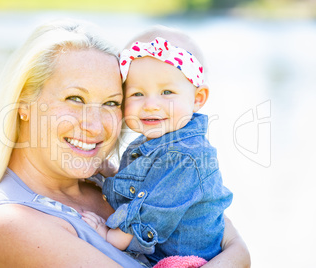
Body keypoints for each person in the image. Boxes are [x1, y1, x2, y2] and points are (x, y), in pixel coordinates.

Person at [0, 19, 250, 268]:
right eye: (75, 98)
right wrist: (237, 255)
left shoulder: (110, 178)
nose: (95, 125)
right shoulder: (11, 224)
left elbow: (219, 229)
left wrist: (238, 252)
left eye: (112, 103)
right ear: (24, 103)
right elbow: (235, 248)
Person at [81, 26, 235, 266]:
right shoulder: (155, 140)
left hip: (187, 260)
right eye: (137, 94)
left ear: (198, 98)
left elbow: (155, 212)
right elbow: (147, 185)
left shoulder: (186, 155)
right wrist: (113, 172)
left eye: (166, 92)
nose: (151, 105)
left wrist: (110, 236)